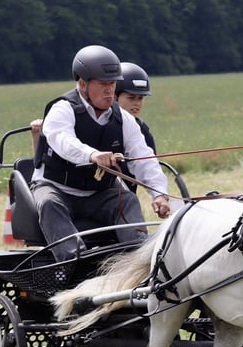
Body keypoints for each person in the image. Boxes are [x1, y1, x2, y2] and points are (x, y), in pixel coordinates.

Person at [31, 45, 171, 261]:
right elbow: (62, 140)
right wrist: (92, 155)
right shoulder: (62, 109)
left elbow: (143, 157)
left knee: (127, 199)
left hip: (100, 193)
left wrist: (159, 193)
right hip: (56, 189)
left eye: (113, 84)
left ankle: (140, 260)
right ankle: (75, 262)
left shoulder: (123, 119)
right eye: (103, 84)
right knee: (49, 203)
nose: (110, 91)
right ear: (82, 84)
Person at [115, 62, 156, 191]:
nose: (137, 103)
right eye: (131, 98)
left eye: (140, 98)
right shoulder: (100, 125)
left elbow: (150, 165)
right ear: (114, 96)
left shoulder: (142, 128)